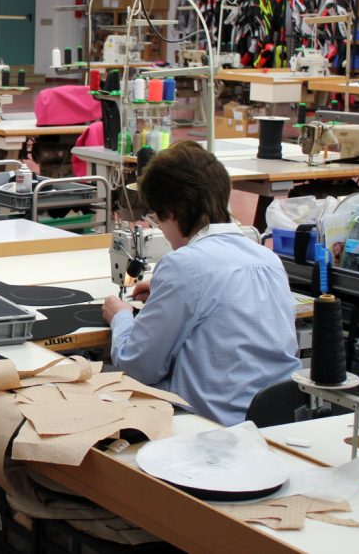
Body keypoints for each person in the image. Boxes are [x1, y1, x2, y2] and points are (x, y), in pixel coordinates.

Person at [101, 141, 300, 426]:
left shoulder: (183, 265)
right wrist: (166, 295)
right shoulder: (267, 260)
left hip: (206, 429)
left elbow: (138, 366)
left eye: (157, 219)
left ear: (172, 211)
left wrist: (120, 316)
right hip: (271, 422)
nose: (163, 232)